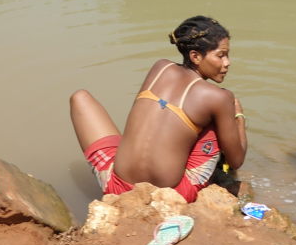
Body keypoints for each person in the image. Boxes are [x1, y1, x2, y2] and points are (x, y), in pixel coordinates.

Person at [69, 15, 247, 203]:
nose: (227, 63)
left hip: (116, 186)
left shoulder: (160, 67)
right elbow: (237, 161)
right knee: (219, 115)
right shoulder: (219, 97)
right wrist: (238, 115)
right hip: (173, 195)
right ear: (195, 56)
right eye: (221, 55)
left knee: (80, 98)